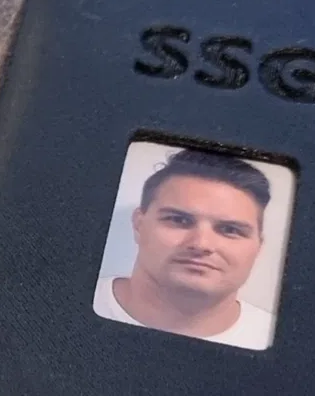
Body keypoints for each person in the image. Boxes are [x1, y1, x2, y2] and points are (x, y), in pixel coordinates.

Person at [94, 148, 276, 349]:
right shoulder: (71, 302)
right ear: (139, 225)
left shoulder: (277, 342)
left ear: (258, 247)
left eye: (229, 230)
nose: (201, 244)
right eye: (179, 220)